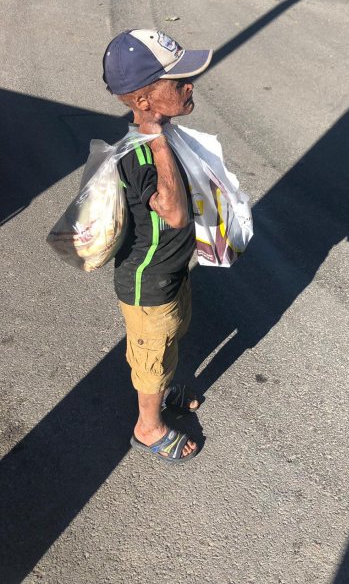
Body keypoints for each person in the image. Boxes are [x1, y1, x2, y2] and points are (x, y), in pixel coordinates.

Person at [102, 28, 213, 464]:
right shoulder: (142, 152)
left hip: (171, 272)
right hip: (147, 284)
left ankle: (163, 393)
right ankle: (148, 427)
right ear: (144, 101)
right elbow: (174, 212)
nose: (190, 86)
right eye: (179, 81)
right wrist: (158, 138)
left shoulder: (162, 135)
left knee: (171, 338)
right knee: (152, 358)